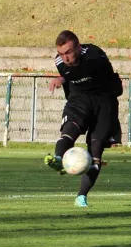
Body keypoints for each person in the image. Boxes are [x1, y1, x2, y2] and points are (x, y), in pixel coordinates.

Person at [45, 31, 123, 208]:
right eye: (62, 53)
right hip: (79, 98)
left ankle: (81, 196)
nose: (65, 57)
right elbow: (73, 74)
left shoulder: (95, 55)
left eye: (69, 52)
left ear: (79, 48)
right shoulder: (59, 62)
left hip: (105, 101)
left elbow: (86, 71)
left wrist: (63, 78)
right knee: (69, 130)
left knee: (96, 149)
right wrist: (64, 77)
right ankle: (58, 159)